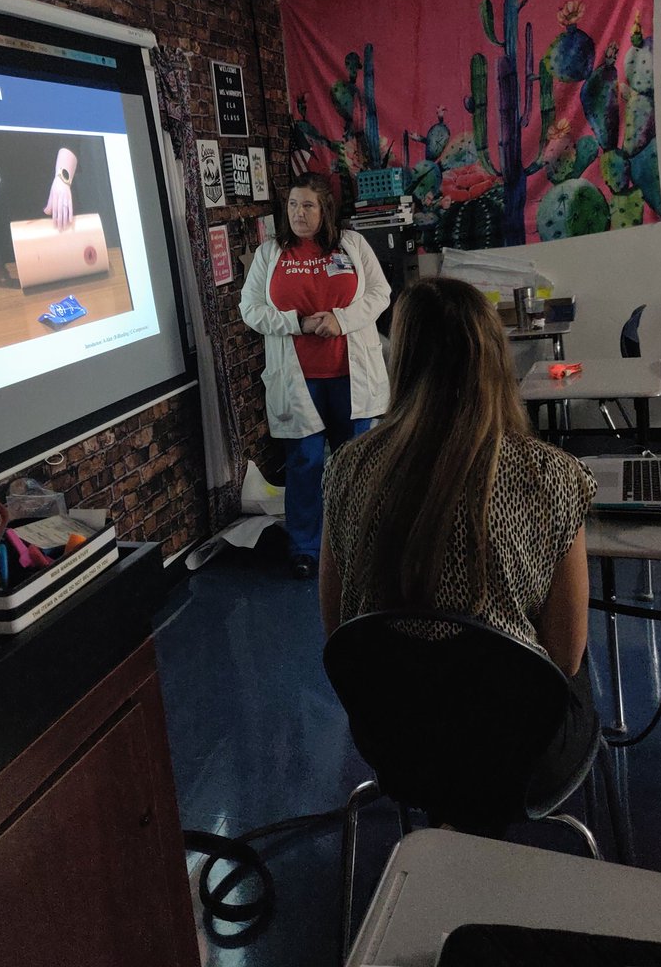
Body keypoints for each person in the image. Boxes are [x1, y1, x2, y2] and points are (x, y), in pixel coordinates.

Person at [320, 276, 598, 799]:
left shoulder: (346, 471)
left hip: (394, 741)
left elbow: (338, 627)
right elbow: (564, 657)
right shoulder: (553, 477)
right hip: (517, 751)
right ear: (495, 358)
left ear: (402, 362)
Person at [240, 172, 390, 579]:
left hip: (351, 374)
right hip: (298, 379)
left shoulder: (352, 245)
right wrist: (296, 323)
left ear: (325, 210)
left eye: (307, 205)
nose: (299, 213)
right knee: (304, 464)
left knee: (356, 463)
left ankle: (362, 544)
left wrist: (342, 320)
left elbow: (380, 293)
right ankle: (305, 548)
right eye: (292, 205)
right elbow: (250, 309)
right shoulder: (270, 253)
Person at [0, 129, 79, 286]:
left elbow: (72, 128)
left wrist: (62, 178)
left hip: (56, 197)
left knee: (69, 278)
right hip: (4, 204)